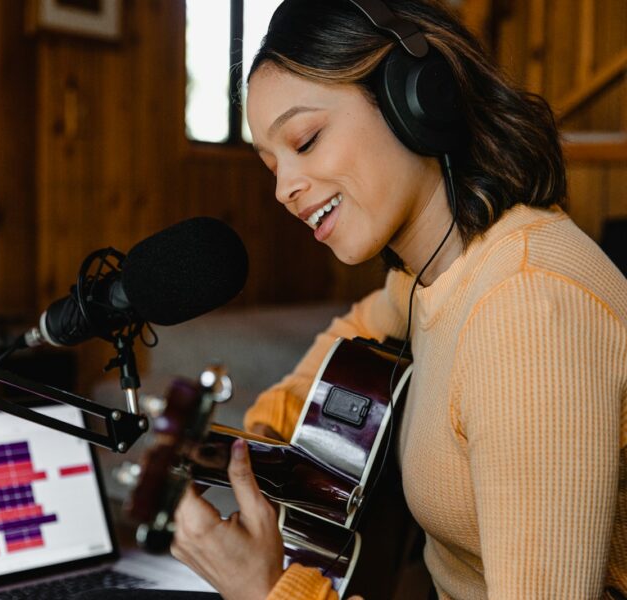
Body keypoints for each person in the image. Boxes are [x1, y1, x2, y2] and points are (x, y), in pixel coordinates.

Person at [169, 0, 627, 599]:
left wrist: (263, 590)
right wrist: (257, 436)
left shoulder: (527, 305)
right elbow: (354, 330)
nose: (284, 189)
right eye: (271, 165)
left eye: (305, 140)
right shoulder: (432, 275)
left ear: (416, 98)